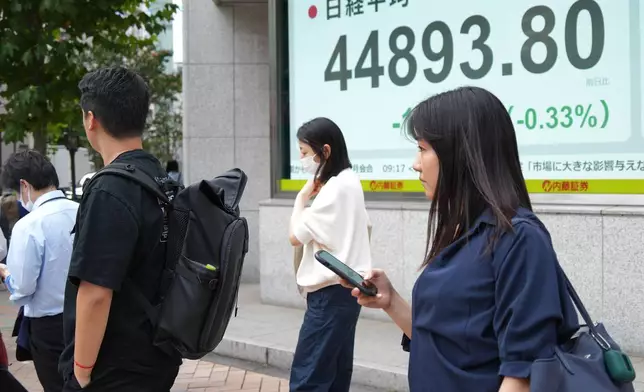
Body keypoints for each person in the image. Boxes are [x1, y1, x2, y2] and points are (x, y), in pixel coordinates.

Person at [343, 86, 580, 392]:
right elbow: (443, 342)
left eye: (423, 148)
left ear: (462, 153)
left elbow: (523, 375)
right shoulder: (463, 231)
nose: (416, 163)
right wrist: (391, 301)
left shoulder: (519, 239)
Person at [59, 66, 182, 391]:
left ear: (91, 119)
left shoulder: (110, 188)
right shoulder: (160, 178)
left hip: (114, 368)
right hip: (156, 354)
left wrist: (82, 372)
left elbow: (96, 292)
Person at [287, 117, 372, 391]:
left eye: (304, 152)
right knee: (335, 375)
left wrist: (301, 199)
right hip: (346, 292)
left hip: (329, 294)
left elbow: (295, 236)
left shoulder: (334, 188)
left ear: (324, 151)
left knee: (309, 378)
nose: (301, 159)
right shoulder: (350, 182)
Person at [0, 150, 78, 392]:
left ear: (24, 185)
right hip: (87, 315)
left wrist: (5, 274)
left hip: (49, 326)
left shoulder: (29, 225)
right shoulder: (82, 209)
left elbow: (23, 287)